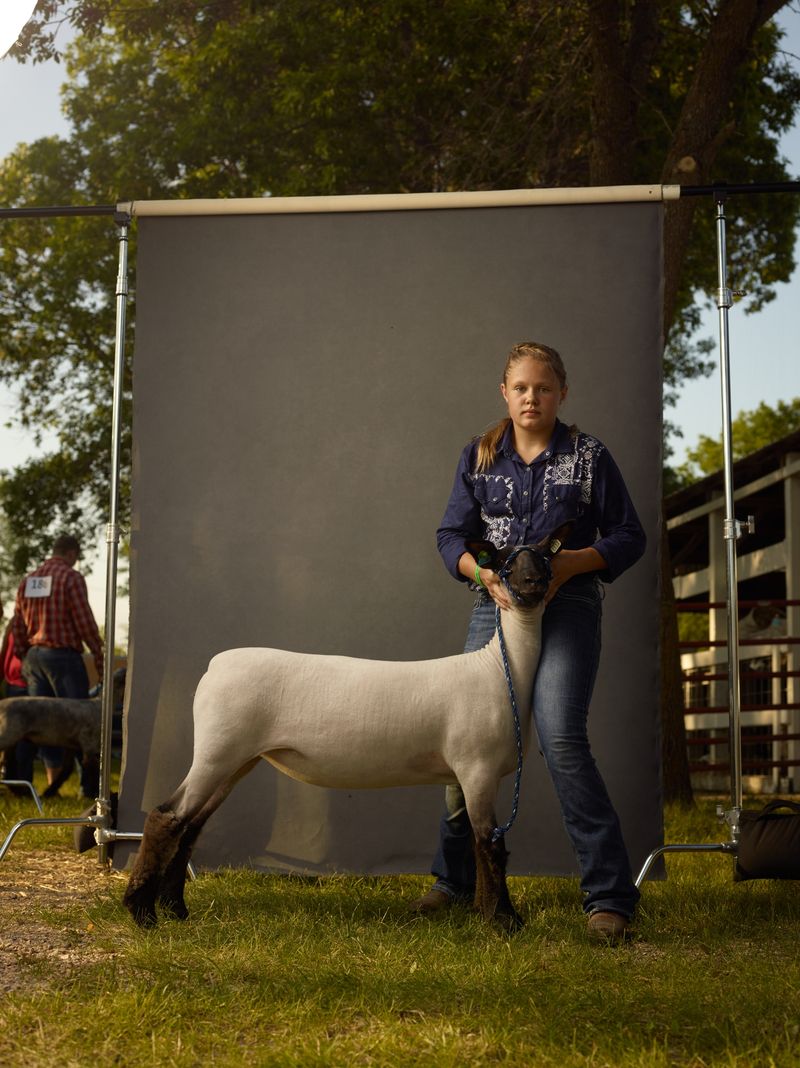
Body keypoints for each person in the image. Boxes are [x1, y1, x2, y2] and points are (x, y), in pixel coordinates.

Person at [412, 341, 646, 943]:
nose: (531, 398)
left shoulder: (589, 456)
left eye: (543, 388)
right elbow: (449, 535)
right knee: (466, 741)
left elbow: (629, 535)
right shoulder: (480, 454)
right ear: (505, 392)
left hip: (567, 604)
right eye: (521, 388)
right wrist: (478, 572)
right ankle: (455, 879)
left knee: (561, 734)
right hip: (496, 606)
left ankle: (609, 895)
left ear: (561, 392)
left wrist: (575, 565)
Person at [11, 534, 104, 794]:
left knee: (32, 723)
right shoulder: (71, 578)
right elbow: (84, 621)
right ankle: (88, 788)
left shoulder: (29, 580)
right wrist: (98, 654)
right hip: (63, 658)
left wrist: (24, 654)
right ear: (72, 553)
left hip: (34, 657)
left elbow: (17, 625)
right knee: (81, 723)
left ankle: (23, 784)